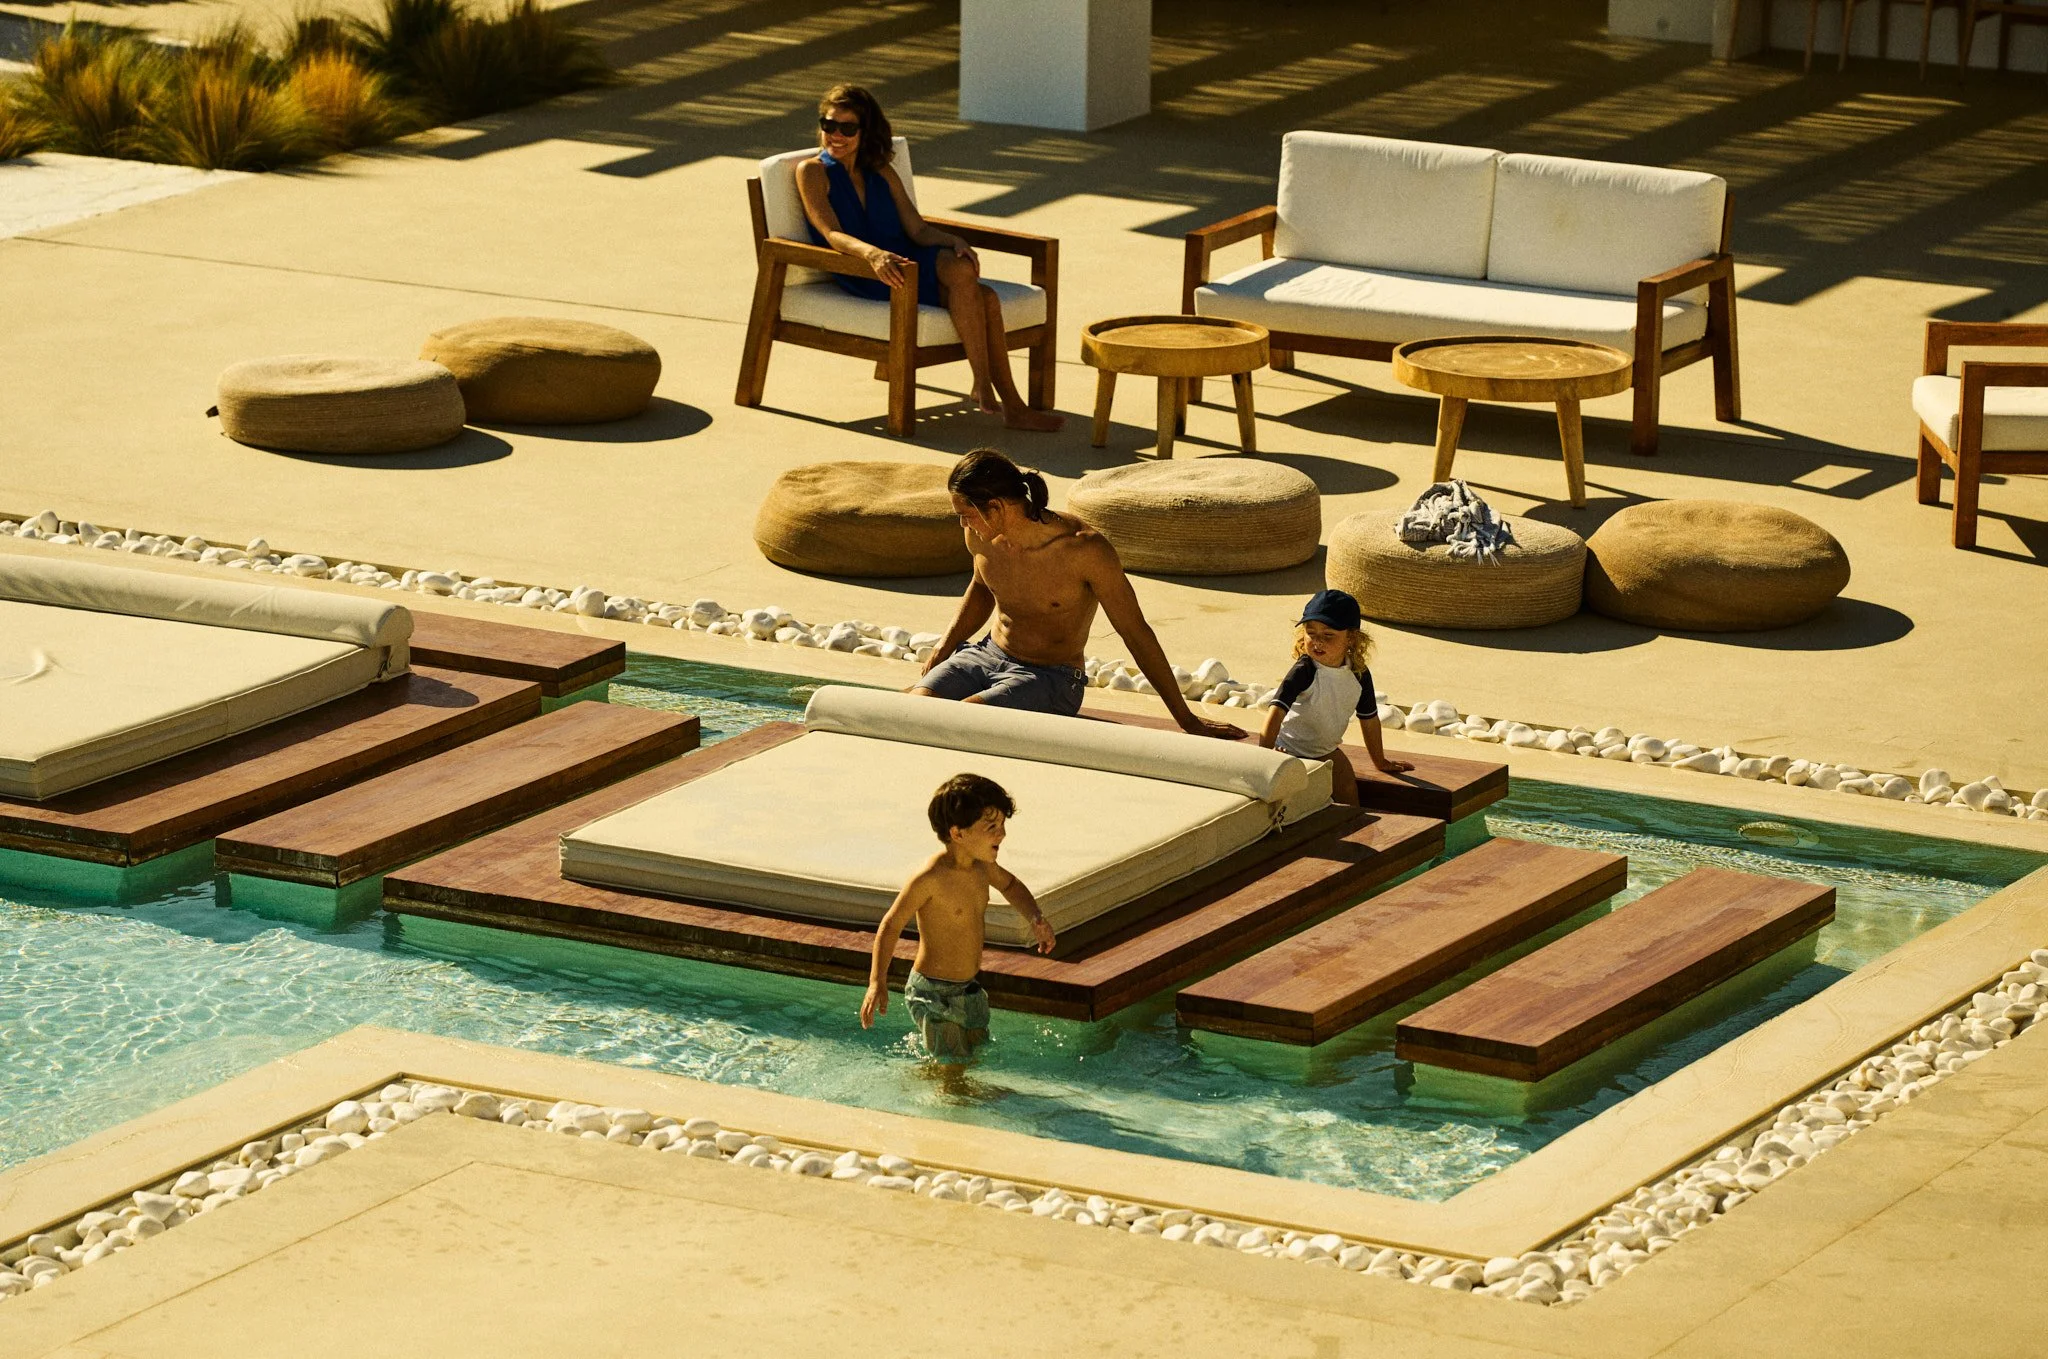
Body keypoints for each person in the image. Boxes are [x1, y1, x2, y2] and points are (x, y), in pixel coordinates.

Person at [914, 449, 1244, 738]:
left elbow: (1135, 631)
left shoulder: (1084, 550)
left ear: (995, 507)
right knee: (910, 710)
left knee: (961, 721)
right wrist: (945, 646)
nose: (962, 525)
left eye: (966, 515)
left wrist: (1185, 718)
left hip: (1050, 678)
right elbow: (983, 587)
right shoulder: (982, 536)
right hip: (985, 656)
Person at [795, 84, 1062, 434]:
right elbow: (831, 234)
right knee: (985, 297)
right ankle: (1002, 398)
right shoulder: (812, 171)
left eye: (848, 128)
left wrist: (952, 240)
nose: (836, 136)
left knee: (963, 268)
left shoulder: (881, 171)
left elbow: (918, 230)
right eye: (829, 125)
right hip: (869, 269)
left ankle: (994, 393)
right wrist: (873, 254)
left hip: (907, 259)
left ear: (865, 131)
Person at [860, 774, 1054, 1068]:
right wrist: (877, 981)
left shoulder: (983, 868)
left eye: (1002, 825)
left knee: (972, 1057)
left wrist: (1035, 917)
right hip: (933, 993)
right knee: (954, 1068)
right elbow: (891, 925)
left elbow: (1011, 885)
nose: (1001, 835)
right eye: (992, 827)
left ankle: (930, 1082)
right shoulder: (931, 878)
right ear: (958, 833)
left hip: (969, 989)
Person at [1257, 589, 1413, 805]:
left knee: (1349, 792)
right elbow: (1276, 712)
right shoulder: (1305, 670)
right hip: (1289, 750)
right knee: (1287, 801)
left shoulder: (1358, 674)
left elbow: (1369, 720)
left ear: (1351, 638)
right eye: (1311, 633)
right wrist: (1263, 758)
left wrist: (1380, 761)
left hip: (1325, 751)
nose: (1317, 641)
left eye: (1328, 635)